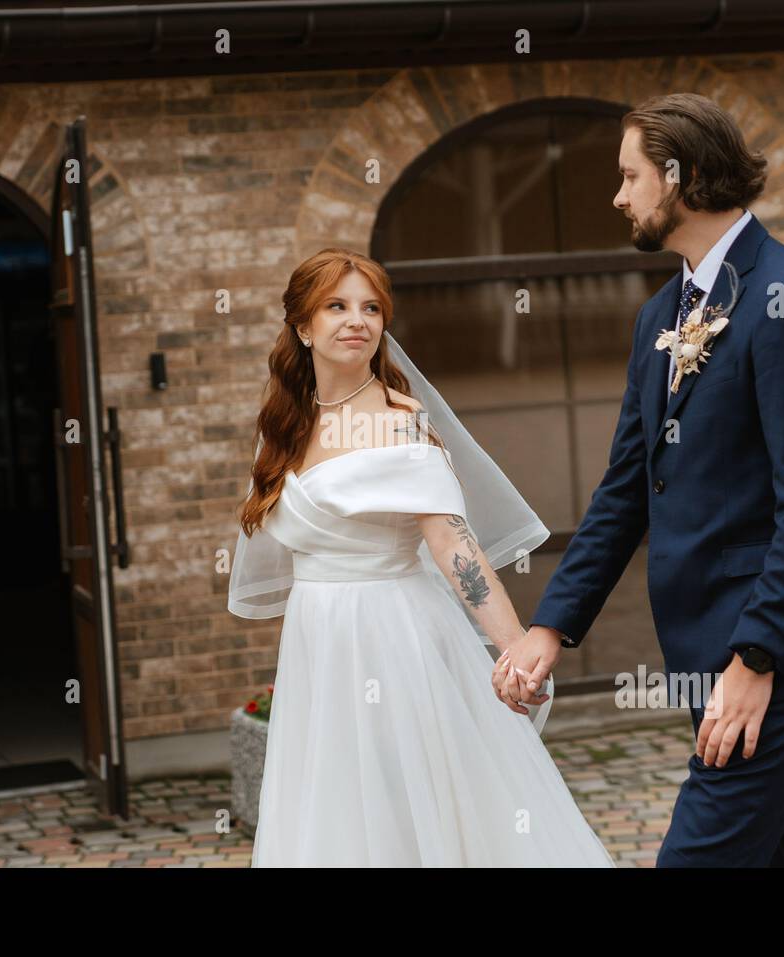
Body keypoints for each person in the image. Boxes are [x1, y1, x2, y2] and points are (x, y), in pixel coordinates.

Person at [498, 93, 784, 867]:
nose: (618, 196)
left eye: (630, 177)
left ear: (678, 176)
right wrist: (549, 626)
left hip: (781, 641)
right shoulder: (661, 312)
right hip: (703, 641)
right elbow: (627, 487)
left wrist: (757, 659)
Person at [228, 248, 614, 867]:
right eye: (337, 306)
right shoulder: (286, 425)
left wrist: (516, 649)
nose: (357, 320)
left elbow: (453, 543)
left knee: (418, 803)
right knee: (339, 806)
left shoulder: (399, 422)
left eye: (371, 308)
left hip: (394, 636)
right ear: (302, 327)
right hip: (318, 641)